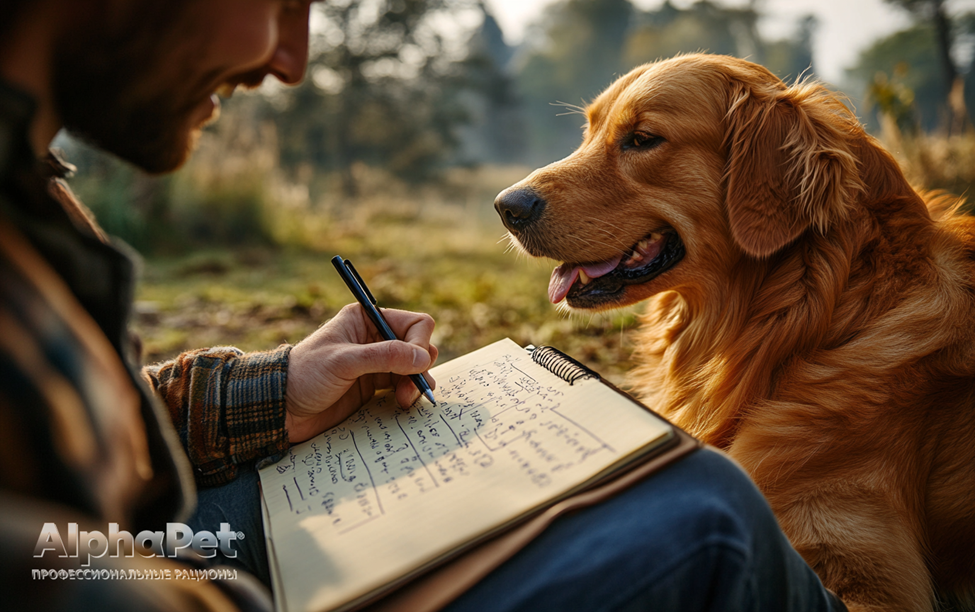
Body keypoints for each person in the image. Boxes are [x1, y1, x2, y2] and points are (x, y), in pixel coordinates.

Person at [0, 1, 847, 610]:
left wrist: (279, 386)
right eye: (280, 3)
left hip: (128, 542)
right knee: (708, 514)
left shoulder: (24, 178)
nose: (288, 60)